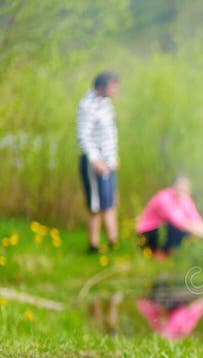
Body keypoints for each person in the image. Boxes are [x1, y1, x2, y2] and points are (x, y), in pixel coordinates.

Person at [77, 71, 120, 253]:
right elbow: (84, 137)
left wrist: (113, 156)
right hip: (94, 164)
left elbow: (109, 134)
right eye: (112, 86)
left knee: (110, 202)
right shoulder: (87, 106)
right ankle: (93, 246)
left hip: (109, 161)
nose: (116, 89)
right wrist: (96, 160)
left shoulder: (106, 104)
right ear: (101, 87)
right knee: (95, 205)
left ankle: (113, 242)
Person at [136, 175, 203, 257]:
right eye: (181, 186)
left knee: (189, 230)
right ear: (174, 186)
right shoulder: (164, 198)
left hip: (162, 231)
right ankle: (160, 256)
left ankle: (166, 256)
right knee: (181, 229)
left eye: (186, 187)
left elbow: (197, 220)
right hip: (147, 233)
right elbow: (182, 224)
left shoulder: (184, 199)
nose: (184, 189)